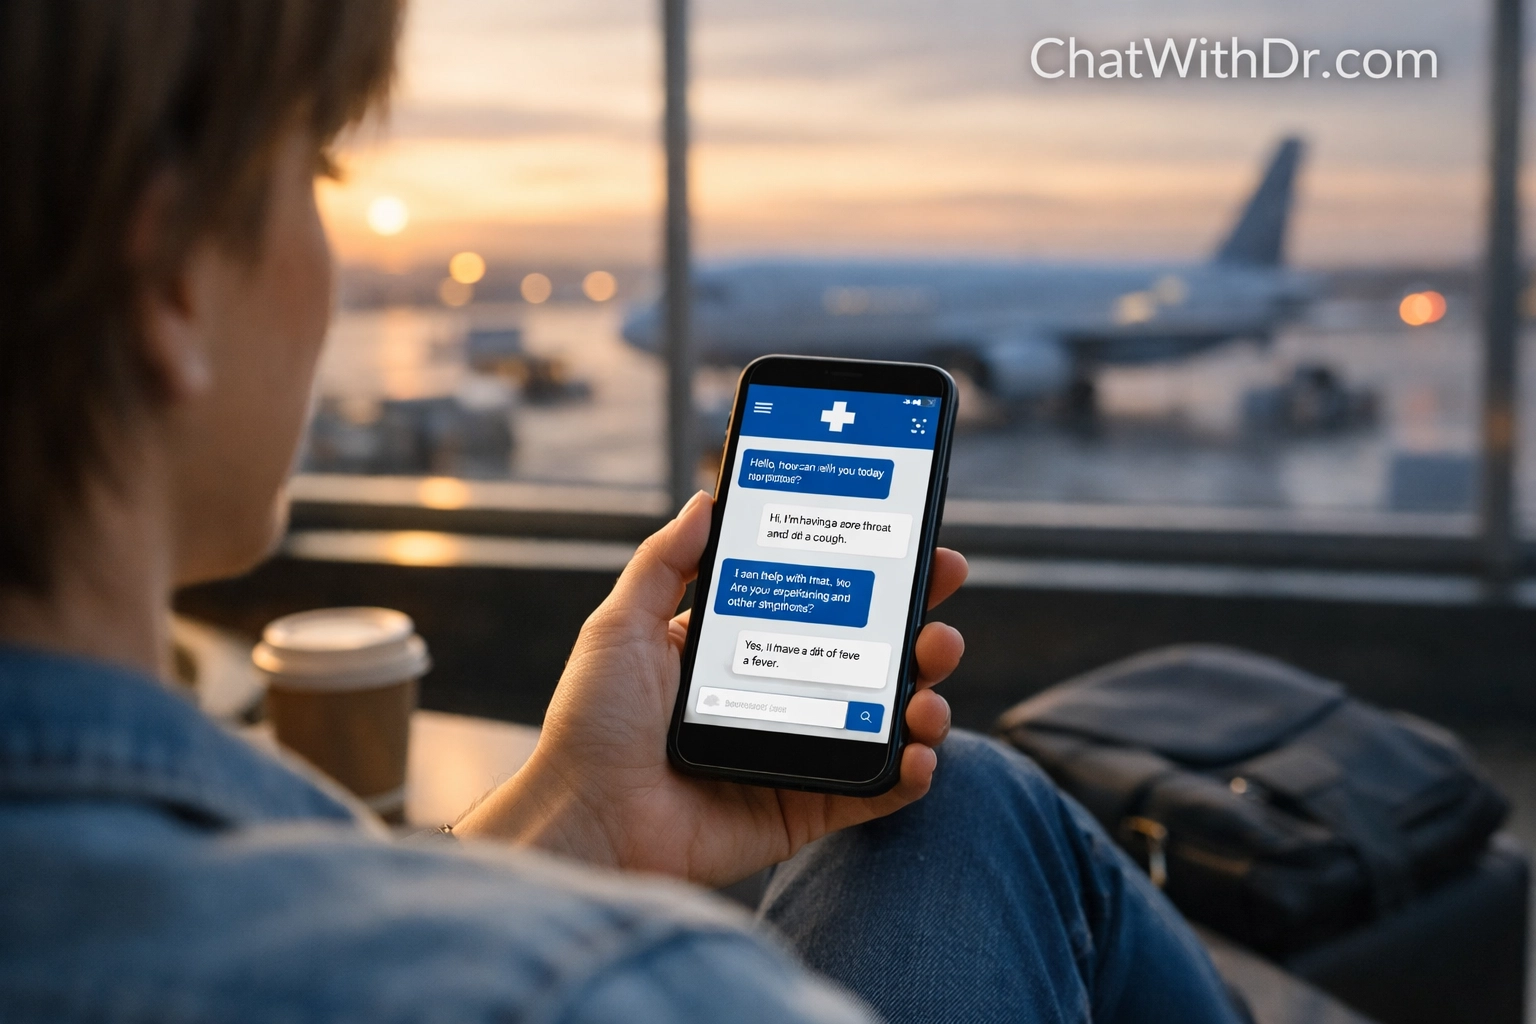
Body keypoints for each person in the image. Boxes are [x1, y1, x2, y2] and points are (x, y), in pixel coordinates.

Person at [0, 2, 1243, 1020]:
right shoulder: (626, 993)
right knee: (966, 809)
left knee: (954, 793)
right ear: (168, 277)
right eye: (316, 168)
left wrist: (576, 815)